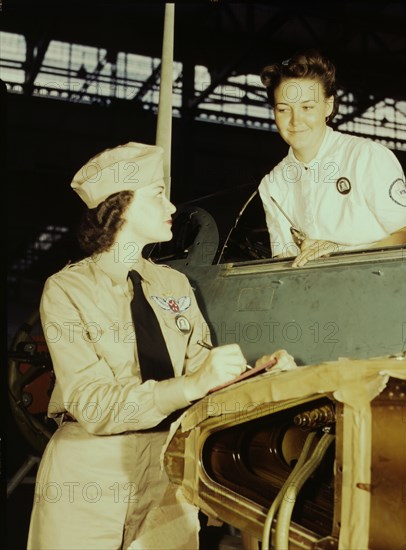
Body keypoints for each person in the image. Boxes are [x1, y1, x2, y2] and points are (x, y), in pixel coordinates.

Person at [27, 141, 294, 550]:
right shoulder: (67, 290)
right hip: (90, 472)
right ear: (122, 206)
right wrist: (187, 387)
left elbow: (202, 371)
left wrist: (259, 377)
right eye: (157, 194)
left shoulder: (173, 284)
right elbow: (92, 403)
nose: (171, 207)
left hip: (168, 465)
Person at [258, 50, 406, 267]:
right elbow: (286, 266)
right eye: (283, 109)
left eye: (307, 107)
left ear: (328, 105)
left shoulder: (367, 157)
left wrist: (342, 252)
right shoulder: (273, 185)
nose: (295, 121)